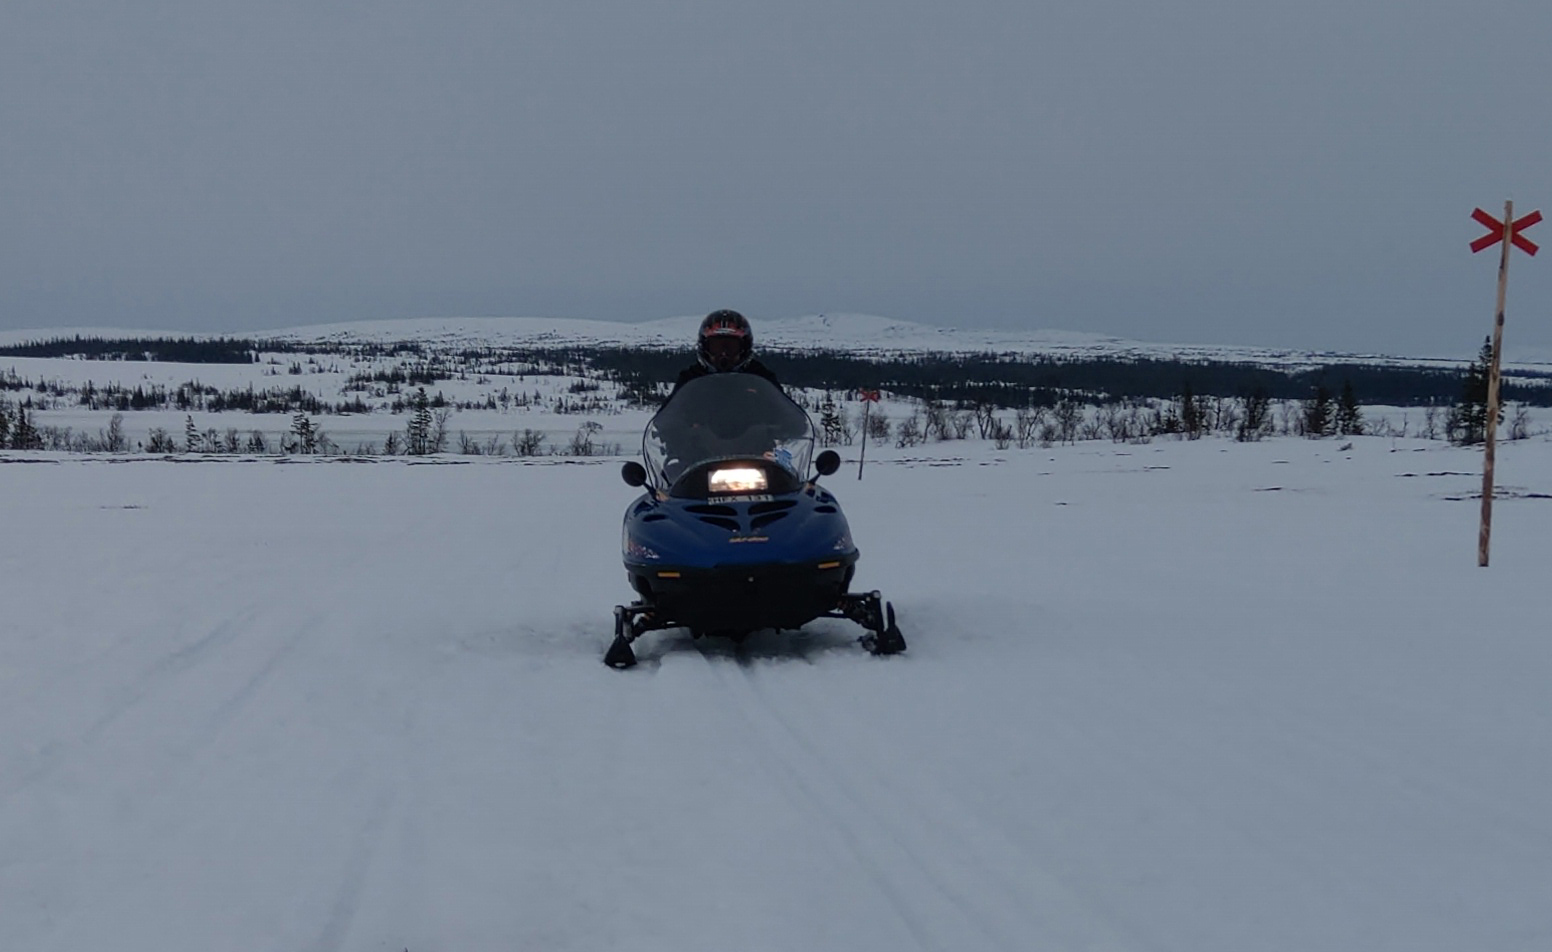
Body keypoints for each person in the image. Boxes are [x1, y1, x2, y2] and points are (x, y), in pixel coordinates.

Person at [666, 310, 781, 400]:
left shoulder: (761, 378)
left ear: (744, 348)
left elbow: (785, 413)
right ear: (705, 348)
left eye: (731, 347)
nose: (724, 354)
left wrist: (768, 428)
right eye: (717, 347)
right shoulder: (690, 379)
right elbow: (668, 417)